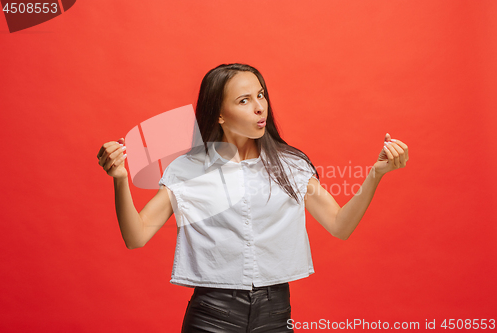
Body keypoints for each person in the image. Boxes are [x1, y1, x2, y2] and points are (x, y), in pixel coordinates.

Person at [96, 63, 409, 332]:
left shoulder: (291, 165)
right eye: (244, 100)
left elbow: (340, 225)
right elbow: (135, 236)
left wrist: (375, 174)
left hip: (276, 313)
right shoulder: (189, 169)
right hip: (212, 314)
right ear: (218, 114)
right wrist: (121, 180)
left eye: (261, 95)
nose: (260, 107)